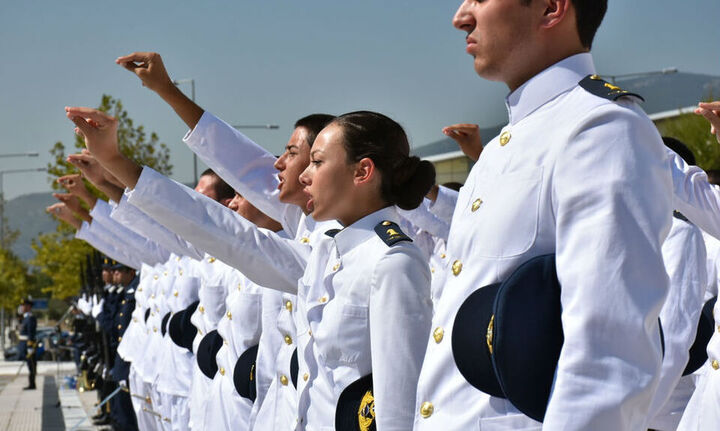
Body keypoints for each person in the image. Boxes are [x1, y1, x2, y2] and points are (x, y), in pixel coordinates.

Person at [414, 1, 673, 430]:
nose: (460, 17)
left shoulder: (600, 127)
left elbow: (608, 355)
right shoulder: (502, 146)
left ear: (551, 9)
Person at [18, 298, 37, 390]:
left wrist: (30, 345)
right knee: (29, 364)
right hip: (24, 344)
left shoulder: (30, 318)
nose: (22, 307)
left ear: (28, 307)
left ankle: (32, 384)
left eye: (24, 305)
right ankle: (31, 383)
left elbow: (30, 333)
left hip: (27, 344)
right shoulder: (25, 318)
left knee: (31, 365)